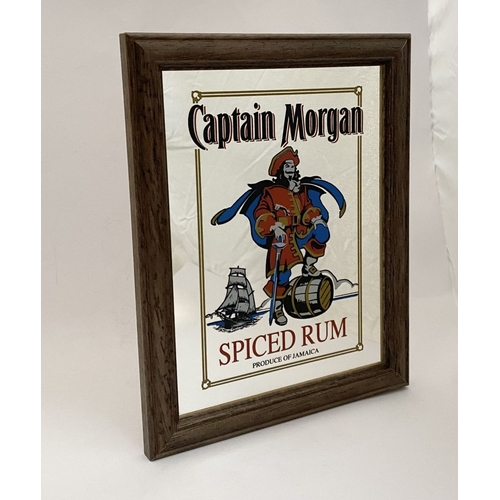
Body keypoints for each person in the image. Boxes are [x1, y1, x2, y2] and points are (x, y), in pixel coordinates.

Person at [211, 147, 346, 326]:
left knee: (322, 232)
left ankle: (308, 266)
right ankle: (277, 307)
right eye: (287, 166)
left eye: (292, 166)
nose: (290, 169)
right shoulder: (271, 191)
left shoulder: (302, 189)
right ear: (281, 170)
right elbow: (262, 211)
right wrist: (273, 225)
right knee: (282, 274)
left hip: (301, 230)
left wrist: (315, 218)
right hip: (283, 236)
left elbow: (308, 207)